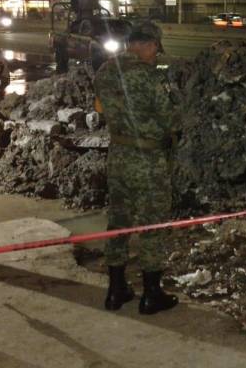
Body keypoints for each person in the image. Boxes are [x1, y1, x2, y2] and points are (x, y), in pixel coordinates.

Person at [93, 21, 180, 315]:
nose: (156, 56)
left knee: (118, 223)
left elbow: (101, 108)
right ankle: (151, 295)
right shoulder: (150, 78)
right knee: (152, 226)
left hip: (117, 157)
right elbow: (171, 121)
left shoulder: (105, 72)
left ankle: (116, 291)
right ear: (150, 45)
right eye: (155, 50)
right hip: (148, 161)